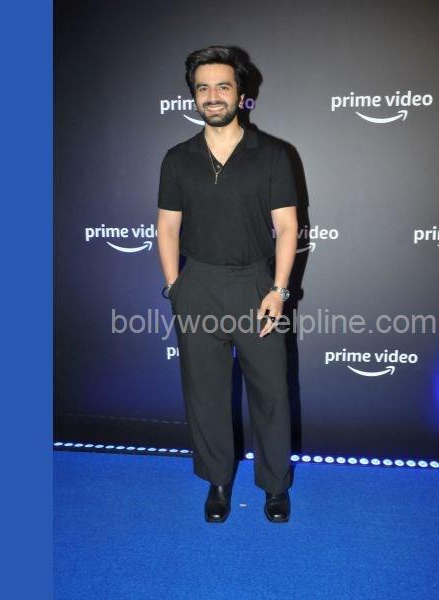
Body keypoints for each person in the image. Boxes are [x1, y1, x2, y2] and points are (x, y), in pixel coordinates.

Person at [156, 45, 299, 524]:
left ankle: (275, 486)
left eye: (222, 86)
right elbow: (167, 227)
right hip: (198, 285)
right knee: (206, 393)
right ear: (194, 96)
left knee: (271, 393)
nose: (212, 96)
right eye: (203, 88)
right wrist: (176, 287)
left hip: (256, 285)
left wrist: (278, 290)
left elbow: (287, 227)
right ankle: (217, 481)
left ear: (241, 93)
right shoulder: (177, 159)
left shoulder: (273, 155)